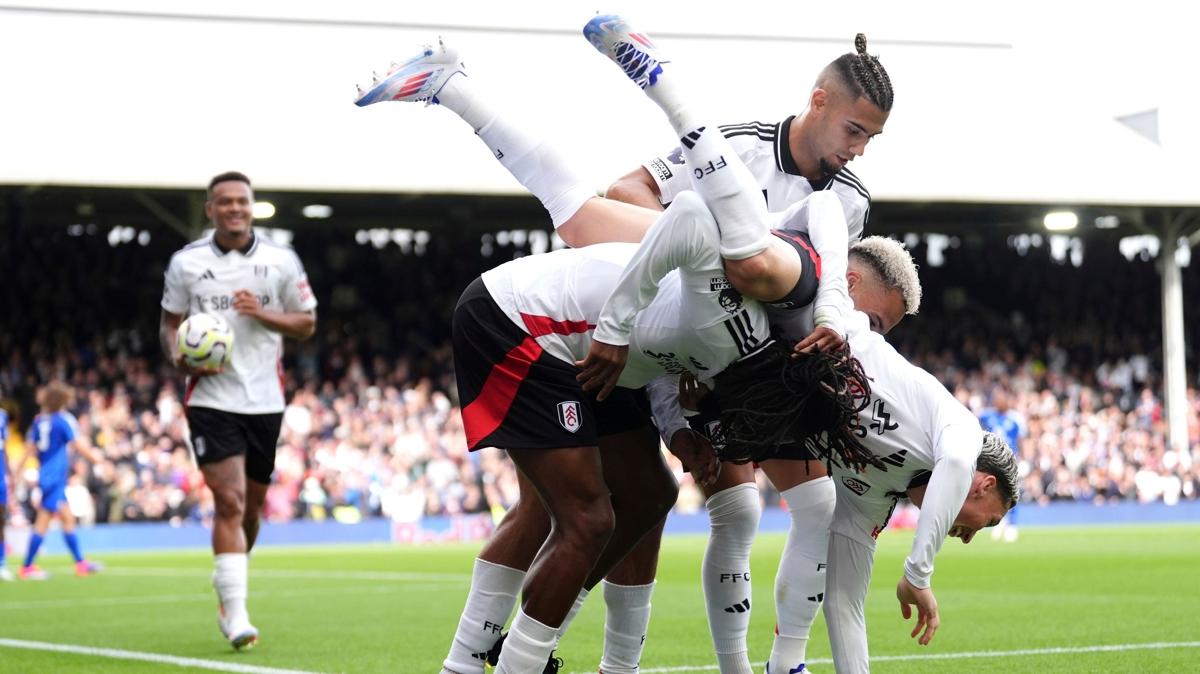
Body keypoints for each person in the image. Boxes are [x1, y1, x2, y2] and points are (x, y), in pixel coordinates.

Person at [356, 32, 877, 674]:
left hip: (689, 313)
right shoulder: (748, 150)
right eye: (854, 132)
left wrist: (693, 399)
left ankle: (593, 658)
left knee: (645, 497)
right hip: (660, 282)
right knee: (586, 220)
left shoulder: (847, 202)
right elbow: (633, 192)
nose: (858, 151)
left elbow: (823, 224)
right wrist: (732, 263)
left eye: (868, 141)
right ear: (819, 102)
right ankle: (469, 85)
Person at [159, 171, 318, 650]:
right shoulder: (185, 264)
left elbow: (307, 323)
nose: (234, 209)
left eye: (241, 202)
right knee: (227, 502)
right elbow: (169, 326)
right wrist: (178, 357)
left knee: (250, 511)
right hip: (209, 397)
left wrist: (261, 313)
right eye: (224, 202)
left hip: (265, 399)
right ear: (210, 209)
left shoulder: (280, 260)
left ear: (251, 207)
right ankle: (237, 612)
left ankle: (228, 584)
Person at [17, 382, 104, 580]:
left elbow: (29, 448)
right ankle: (27, 567)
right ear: (61, 400)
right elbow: (77, 444)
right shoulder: (63, 420)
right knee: (43, 521)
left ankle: (80, 563)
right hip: (55, 477)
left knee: (67, 518)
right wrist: (96, 459)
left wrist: (17, 471)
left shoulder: (39, 421)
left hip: (47, 475)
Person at [979, 387, 1025, 541]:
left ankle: (1012, 525)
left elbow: (1020, 440)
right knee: (992, 491)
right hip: (991, 461)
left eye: (1000, 400)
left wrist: (1023, 460)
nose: (997, 403)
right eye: (995, 400)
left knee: (1012, 492)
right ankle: (998, 522)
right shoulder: (987, 416)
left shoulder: (1015, 419)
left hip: (1010, 461)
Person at [0, 405, 13, 582]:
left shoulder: (2, 416)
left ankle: (1, 562)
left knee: (1, 520)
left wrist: (10, 473)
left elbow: (5, 448)